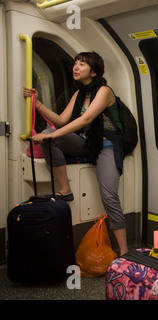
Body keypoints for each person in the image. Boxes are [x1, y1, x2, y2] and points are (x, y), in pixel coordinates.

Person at [23, 51, 128, 255]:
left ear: (94, 71)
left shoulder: (104, 91)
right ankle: (65, 189)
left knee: (109, 197)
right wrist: (38, 104)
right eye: (75, 63)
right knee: (47, 133)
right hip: (86, 142)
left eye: (82, 64)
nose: (75, 67)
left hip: (106, 145)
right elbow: (62, 121)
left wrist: (52, 136)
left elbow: (86, 120)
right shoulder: (79, 94)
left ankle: (124, 253)